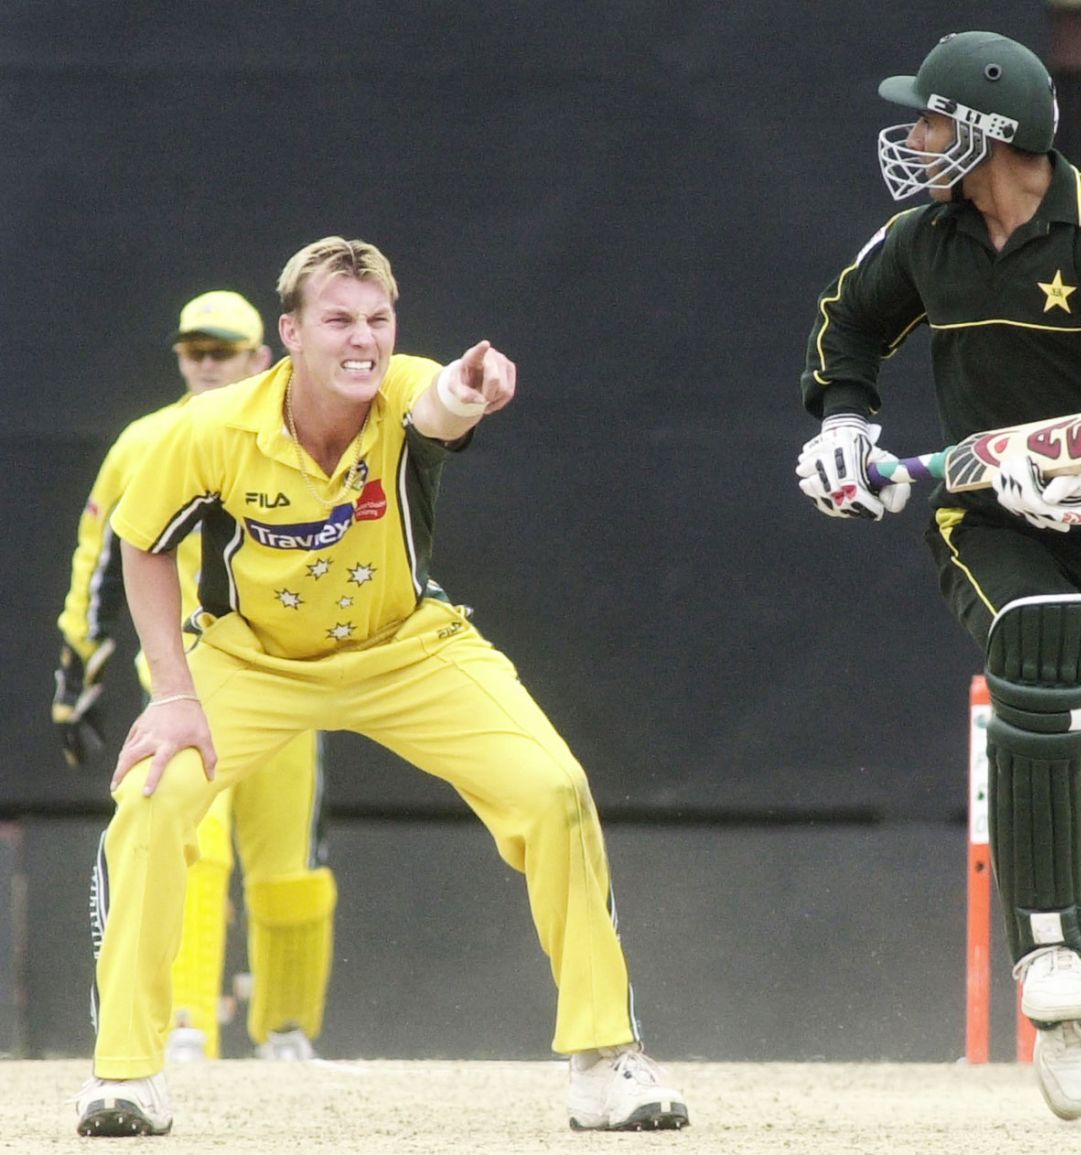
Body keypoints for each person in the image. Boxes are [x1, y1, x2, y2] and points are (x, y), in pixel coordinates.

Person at [73, 237, 689, 1138]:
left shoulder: (405, 388)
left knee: (552, 789)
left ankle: (605, 1061)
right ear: (289, 331)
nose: (362, 339)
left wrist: (470, 391)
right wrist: (173, 692)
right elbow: (142, 542)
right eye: (338, 320)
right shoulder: (206, 430)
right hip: (251, 659)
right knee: (151, 799)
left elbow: (442, 406)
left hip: (406, 645)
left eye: (377, 319)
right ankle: (123, 1074)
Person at [794, 31, 1081, 1121]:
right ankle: (1044, 947)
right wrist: (846, 419)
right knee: (1047, 633)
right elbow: (846, 324)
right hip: (987, 517)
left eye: (930, 120)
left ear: (991, 133)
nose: (912, 139)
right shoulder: (922, 240)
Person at [55, 291, 336, 1066]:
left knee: (291, 864)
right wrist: (76, 672)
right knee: (188, 838)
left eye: (224, 352)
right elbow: (101, 558)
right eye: (194, 351)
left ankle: (285, 1028)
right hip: (185, 681)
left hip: (287, 677)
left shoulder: (302, 432)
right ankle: (182, 1022)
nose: (207, 365)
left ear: (260, 356)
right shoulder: (147, 440)